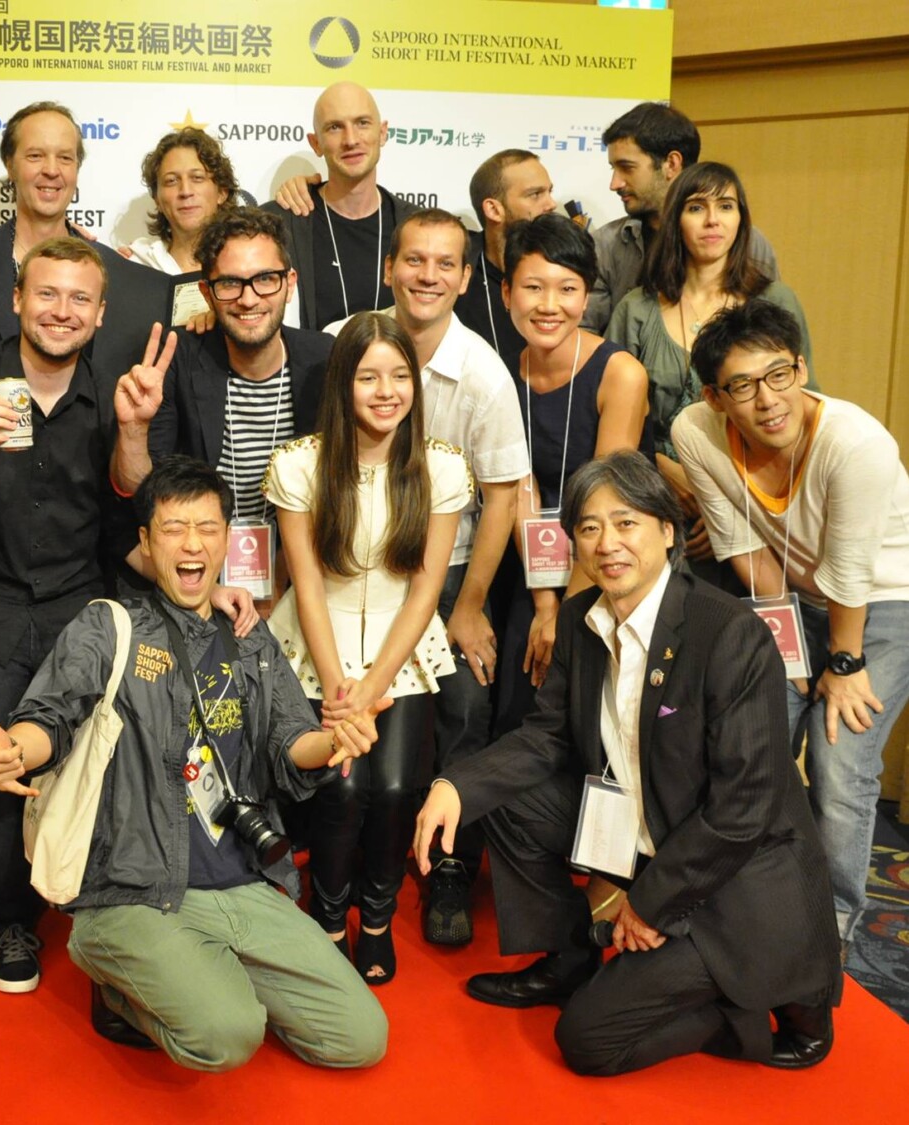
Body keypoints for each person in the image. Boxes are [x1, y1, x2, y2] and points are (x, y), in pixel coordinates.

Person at [413, 451, 841, 1075]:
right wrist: (456, 783)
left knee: (587, 1041)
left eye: (626, 523)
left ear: (668, 532)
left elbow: (742, 810)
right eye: (589, 528)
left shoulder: (728, 635)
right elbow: (547, 738)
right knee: (504, 800)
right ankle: (569, 958)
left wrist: (646, 907)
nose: (606, 543)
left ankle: (766, 999)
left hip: (733, 873)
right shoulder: (585, 627)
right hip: (648, 826)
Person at [0, 237, 254, 996]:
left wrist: (135, 430)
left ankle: (94, 904)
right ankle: (10, 917)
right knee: (0, 764)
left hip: (81, 605)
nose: (60, 311)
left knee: (95, 757)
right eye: (46, 294)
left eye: (78, 299)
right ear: (14, 298)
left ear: (100, 313)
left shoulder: (119, 390)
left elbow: (136, 510)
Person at [0, 455, 390, 1071]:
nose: (191, 543)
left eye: (207, 527)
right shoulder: (112, 627)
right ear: (146, 542)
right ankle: (115, 977)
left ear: (228, 538)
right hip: (135, 888)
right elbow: (52, 715)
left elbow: (292, 743)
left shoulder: (249, 637)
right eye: (172, 528)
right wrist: (18, 746)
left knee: (359, 1039)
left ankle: (202, 967)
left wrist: (337, 739)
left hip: (245, 882)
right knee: (228, 1036)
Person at [673, 300, 909, 951]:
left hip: (883, 601)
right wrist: (794, 658)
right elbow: (742, 547)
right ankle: (742, 893)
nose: (768, 400)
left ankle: (830, 920)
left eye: (779, 375)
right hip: (789, 594)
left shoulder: (856, 445)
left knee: (840, 754)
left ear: (802, 366)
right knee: (752, 733)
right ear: (715, 396)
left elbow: (851, 577)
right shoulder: (695, 431)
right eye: (743, 386)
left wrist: (839, 664)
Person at [264, 312, 469, 982]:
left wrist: (374, 685)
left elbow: (424, 592)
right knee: (340, 789)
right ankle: (327, 922)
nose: (386, 391)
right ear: (342, 385)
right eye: (368, 376)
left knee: (391, 788)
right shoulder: (299, 464)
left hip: (399, 653)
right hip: (316, 650)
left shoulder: (441, 468)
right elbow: (308, 587)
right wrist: (339, 693)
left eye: (399, 376)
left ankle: (375, 921)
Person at [383, 209, 530, 944]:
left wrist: (470, 604)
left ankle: (449, 865)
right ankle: (367, 846)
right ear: (391, 268)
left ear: (467, 279)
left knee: (467, 709)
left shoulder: (483, 374)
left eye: (445, 264)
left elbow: (504, 492)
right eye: (415, 260)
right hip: (373, 559)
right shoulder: (360, 339)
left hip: (458, 566)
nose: (428, 276)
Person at [607, 161, 814, 573]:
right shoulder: (637, 307)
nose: (713, 220)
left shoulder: (774, 300)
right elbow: (614, 415)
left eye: (726, 206)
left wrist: (718, 496)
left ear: (742, 219)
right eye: (697, 207)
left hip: (755, 503)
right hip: (654, 498)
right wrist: (666, 474)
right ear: (675, 219)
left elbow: (802, 407)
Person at [494, 214, 650, 735]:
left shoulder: (619, 373)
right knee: (516, 704)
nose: (549, 305)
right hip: (533, 567)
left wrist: (566, 611)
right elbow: (519, 486)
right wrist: (543, 601)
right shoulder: (500, 373)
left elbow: (606, 504)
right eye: (533, 288)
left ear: (586, 298)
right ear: (506, 292)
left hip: (611, 563)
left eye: (567, 289)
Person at [111, 208, 332, 541]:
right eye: (229, 283)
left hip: (304, 565)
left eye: (265, 279)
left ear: (289, 284)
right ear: (206, 292)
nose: (248, 299)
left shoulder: (325, 358)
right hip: (200, 566)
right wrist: (133, 431)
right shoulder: (178, 358)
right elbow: (141, 493)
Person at [0, 100, 169, 372]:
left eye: (65, 158)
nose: (51, 169)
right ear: (10, 166)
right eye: (35, 156)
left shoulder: (112, 269)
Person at [586, 102, 780, 333]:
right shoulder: (605, 246)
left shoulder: (748, 242)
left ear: (672, 164)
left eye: (627, 168)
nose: (614, 184)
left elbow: (772, 336)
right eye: (613, 170)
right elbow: (583, 337)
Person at [264, 82, 411, 329]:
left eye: (362, 123)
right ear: (316, 143)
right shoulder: (277, 224)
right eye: (334, 127)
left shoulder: (414, 227)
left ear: (383, 132)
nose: (351, 140)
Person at [454, 150, 560, 376]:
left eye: (549, 191)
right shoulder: (456, 278)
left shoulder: (565, 271)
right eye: (535, 194)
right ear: (493, 209)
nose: (551, 204)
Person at [128, 127, 238, 276]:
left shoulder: (250, 262)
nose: (185, 191)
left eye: (197, 178)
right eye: (171, 181)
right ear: (157, 200)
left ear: (222, 192)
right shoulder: (135, 265)